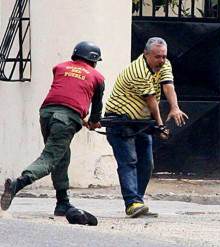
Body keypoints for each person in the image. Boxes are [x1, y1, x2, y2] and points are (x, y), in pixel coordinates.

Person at [0, 41, 105, 216]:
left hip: (47, 113)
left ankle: (62, 203)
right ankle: (18, 184)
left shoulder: (60, 67)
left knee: (62, 157)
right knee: (50, 158)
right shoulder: (97, 77)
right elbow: (97, 106)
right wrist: (94, 122)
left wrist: (80, 117)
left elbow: (66, 93)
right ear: (93, 59)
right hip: (66, 119)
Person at [105, 37, 188, 218]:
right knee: (129, 161)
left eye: (164, 56)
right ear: (146, 54)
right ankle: (132, 203)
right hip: (120, 120)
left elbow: (168, 87)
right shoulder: (138, 70)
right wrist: (160, 125)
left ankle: (137, 202)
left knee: (147, 163)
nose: (162, 60)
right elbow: (151, 100)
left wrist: (175, 107)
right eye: (157, 57)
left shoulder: (164, 64)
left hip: (140, 121)